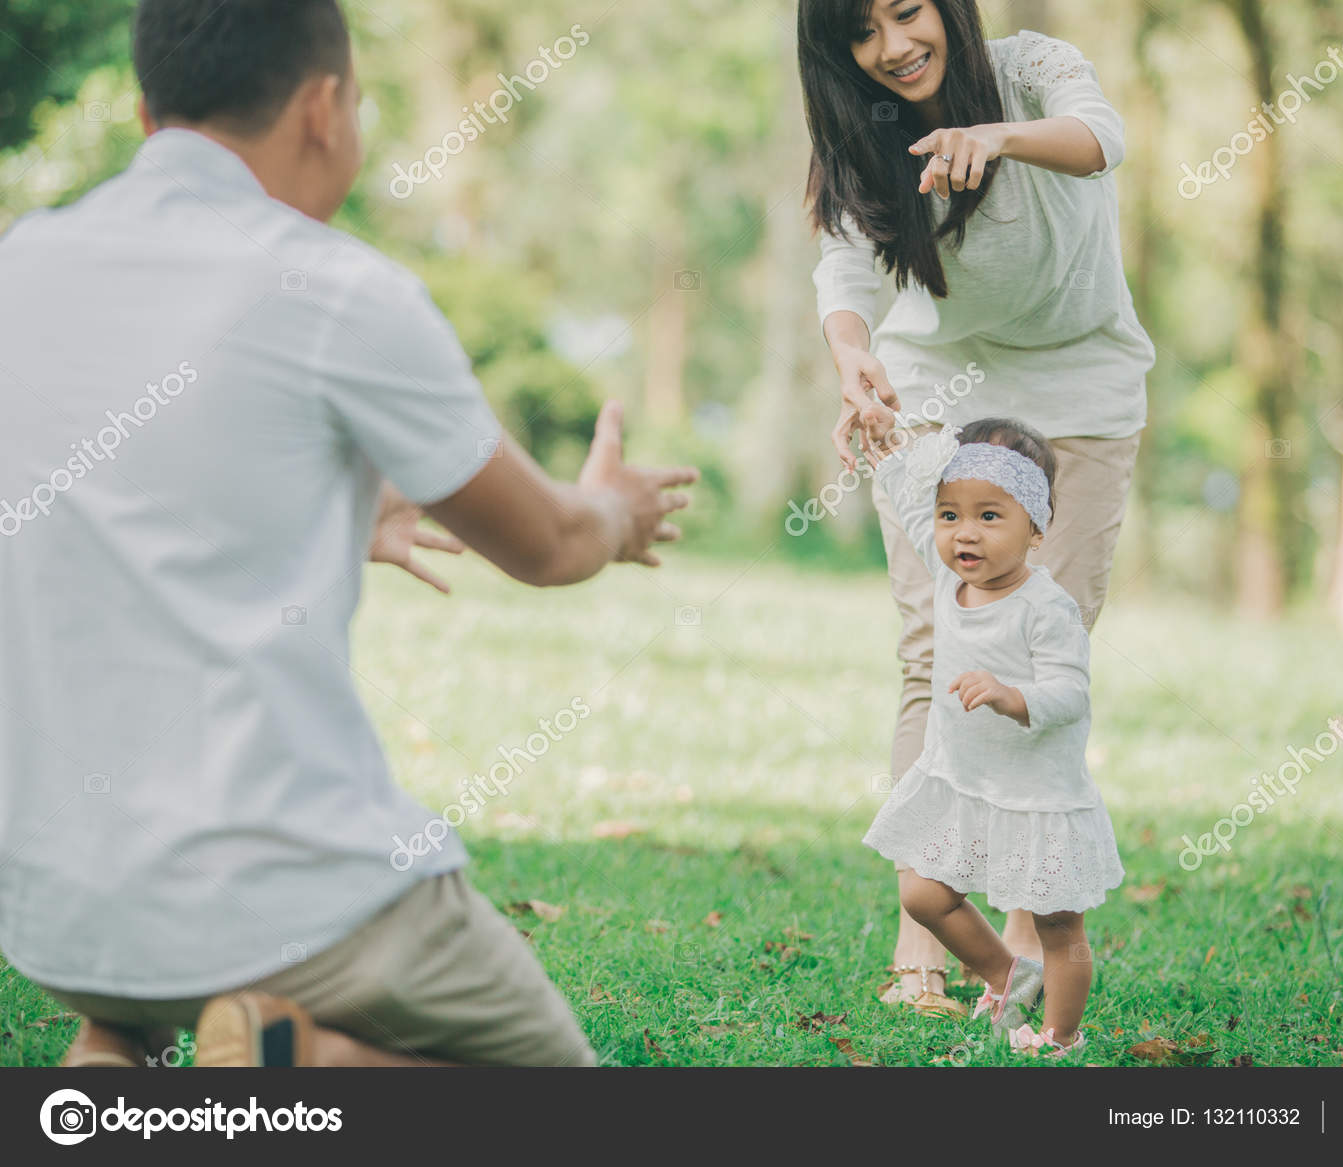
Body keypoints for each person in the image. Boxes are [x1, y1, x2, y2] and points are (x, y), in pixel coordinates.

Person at [0, 0, 696, 1067]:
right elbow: (549, 545)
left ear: (147, 114)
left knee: (134, 1007)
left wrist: (309, 519)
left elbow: (102, 494)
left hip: (58, 913)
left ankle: (110, 1064)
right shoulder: (334, 288)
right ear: (324, 108)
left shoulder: (26, 266)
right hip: (290, 905)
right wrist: (615, 506)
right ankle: (305, 1063)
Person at [799, 0, 1153, 1009]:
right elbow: (844, 266)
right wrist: (852, 353)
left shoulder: (1033, 70)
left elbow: (1101, 141)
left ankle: (1021, 943)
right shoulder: (860, 142)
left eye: (908, 12)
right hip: (937, 383)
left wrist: (991, 135)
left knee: (1044, 648)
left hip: (1081, 383)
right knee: (934, 653)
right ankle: (922, 957)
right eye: (862, 34)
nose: (894, 46)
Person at [859, 417, 1123, 1055]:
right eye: (950, 514)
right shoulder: (950, 576)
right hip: (962, 781)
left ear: (1036, 528)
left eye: (989, 516)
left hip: (1037, 795)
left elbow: (1071, 691)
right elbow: (902, 490)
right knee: (923, 891)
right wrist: (882, 446)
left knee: (1058, 923)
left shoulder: (1046, 608)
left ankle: (1058, 1037)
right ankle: (1009, 974)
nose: (964, 533)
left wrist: (1014, 696)